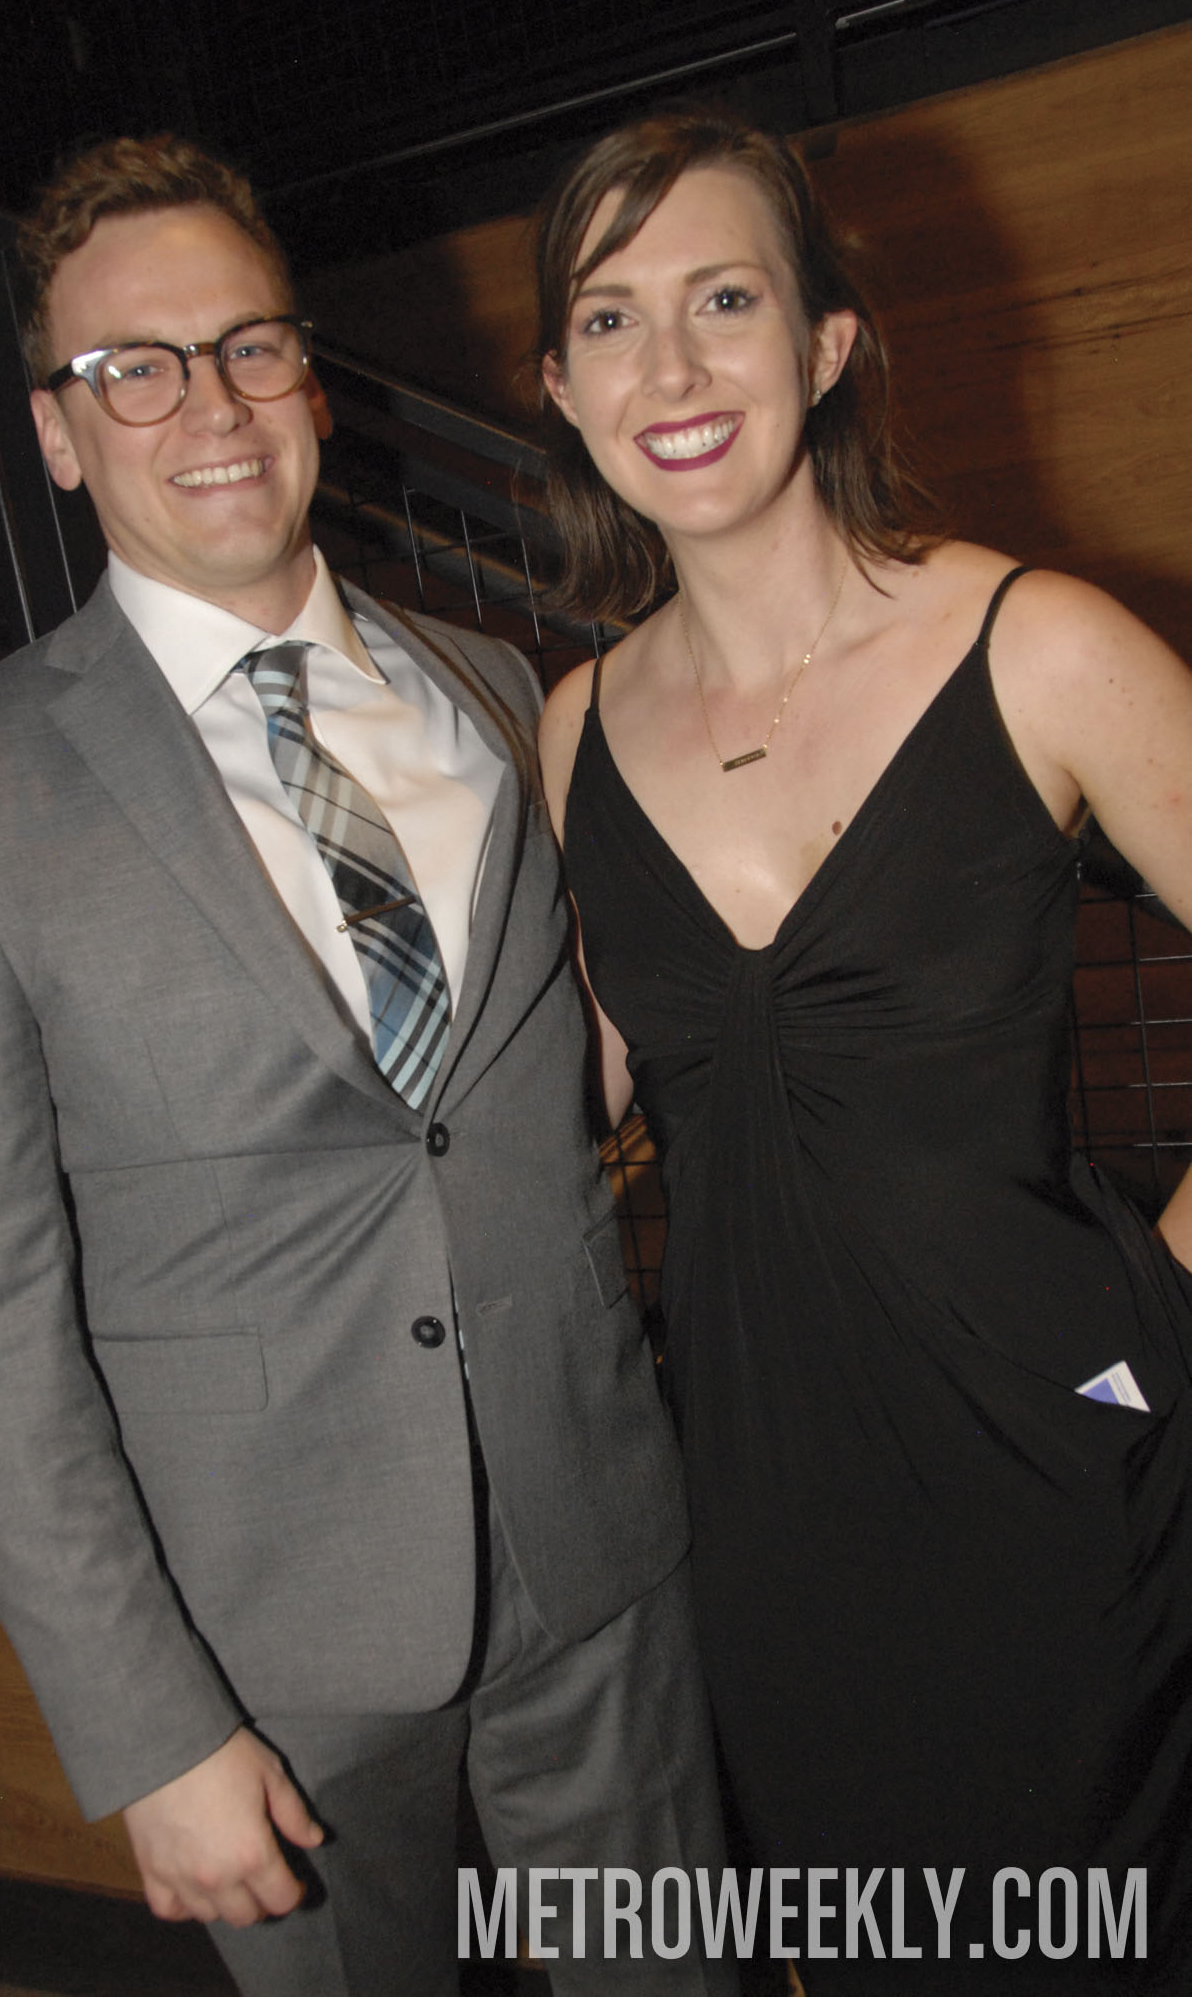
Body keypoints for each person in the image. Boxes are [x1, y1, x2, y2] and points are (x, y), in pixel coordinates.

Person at [0, 136, 736, 1997]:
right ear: (56, 433)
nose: (211, 405)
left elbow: (532, 1096)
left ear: (311, 382)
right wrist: (148, 1729)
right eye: (135, 369)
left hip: (597, 1558)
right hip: (271, 1645)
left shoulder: (493, 689)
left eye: (250, 346)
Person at [535, 107, 1192, 1991]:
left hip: (1059, 1460)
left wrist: (1158, 1323)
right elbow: (568, 1107)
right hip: (758, 1504)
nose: (670, 367)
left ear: (826, 343)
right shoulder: (574, 728)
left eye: (725, 299)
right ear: (564, 390)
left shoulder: (1035, 644)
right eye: (610, 318)